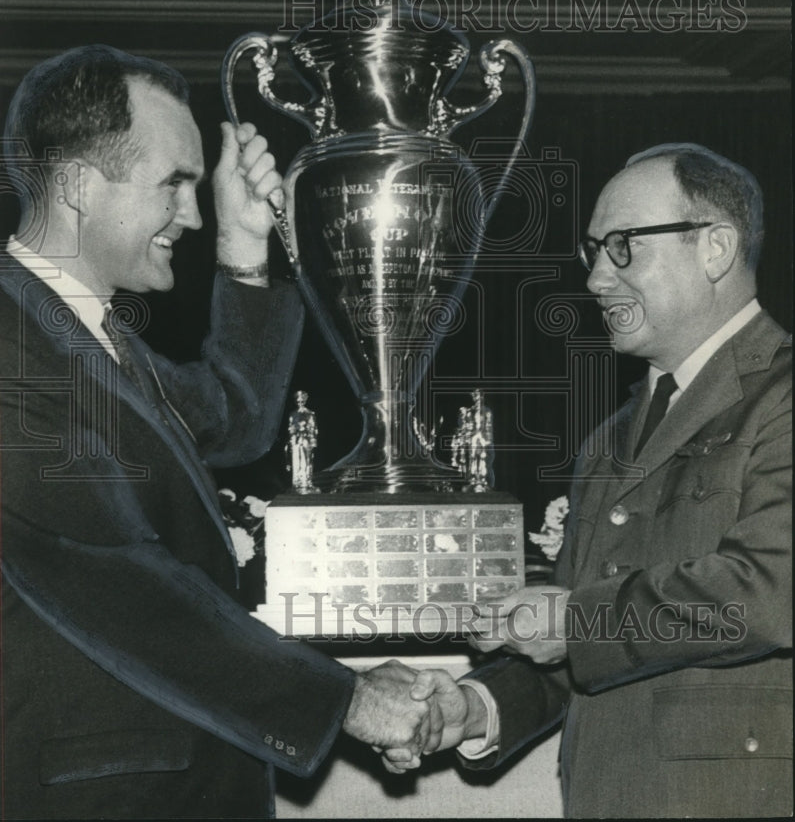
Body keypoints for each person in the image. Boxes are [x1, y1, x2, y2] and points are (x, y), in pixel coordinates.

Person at [0, 45, 440, 820]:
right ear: (74, 186)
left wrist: (244, 254)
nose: (194, 215)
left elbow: (232, 422)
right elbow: (117, 581)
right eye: (173, 183)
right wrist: (343, 700)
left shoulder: (81, 334)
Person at [383, 143, 792, 819]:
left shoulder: (780, 394)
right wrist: (475, 706)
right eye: (593, 251)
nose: (597, 278)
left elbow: (769, 594)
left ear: (715, 248)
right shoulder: (611, 438)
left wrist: (574, 619)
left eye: (624, 246)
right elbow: (585, 646)